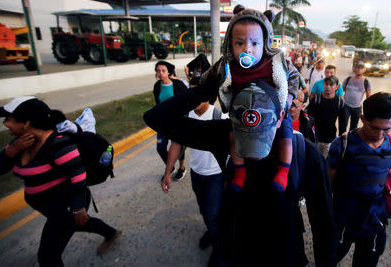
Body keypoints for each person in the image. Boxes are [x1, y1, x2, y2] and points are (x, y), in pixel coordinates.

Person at [143, 80, 338, 266]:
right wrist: (211, 86)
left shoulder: (304, 152)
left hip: (283, 255)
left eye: (263, 137)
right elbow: (155, 118)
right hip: (236, 252)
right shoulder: (224, 135)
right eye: (246, 137)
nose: (254, 151)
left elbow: (323, 222)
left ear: (280, 118)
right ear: (234, 123)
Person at [0, 96, 121, 267]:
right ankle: (111, 233)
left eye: (8, 119)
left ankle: (105, 231)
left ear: (26, 123)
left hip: (66, 206)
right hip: (50, 207)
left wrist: (77, 209)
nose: (5, 124)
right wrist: (11, 152)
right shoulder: (19, 143)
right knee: (81, 224)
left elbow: (78, 176)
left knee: (48, 257)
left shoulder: (59, 144)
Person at [201, 5, 299, 192]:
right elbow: (208, 78)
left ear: (266, 43)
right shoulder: (227, 64)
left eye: (255, 44)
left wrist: (286, 102)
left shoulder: (276, 63)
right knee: (232, 137)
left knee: (286, 134)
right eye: (239, 43)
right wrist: (205, 81)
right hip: (240, 114)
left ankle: (284, 170)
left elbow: (293, 77)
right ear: (230, 44)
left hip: (273, 114)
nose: (247, 50)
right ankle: (240, 171)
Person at [328, 92, 391, 267]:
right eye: (375, 128)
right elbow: (327, 184)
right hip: (342, 221)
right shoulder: (342, 144)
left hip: (374, 222)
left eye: (387, 129)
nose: (380, 134)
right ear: (363, 119)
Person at [161, 76, 227, 258]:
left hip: (216, 175)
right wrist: (168, 172)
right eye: (191, 92)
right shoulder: (186, 116)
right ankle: (211, 232)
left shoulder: (219, 116)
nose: (194, 97)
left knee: (214, 216)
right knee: (204, 210)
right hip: (197, 174)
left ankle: (220, 251)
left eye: (199, 92)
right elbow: (176, 144)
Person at [153, 61, 188, 180]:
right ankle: (170, 167)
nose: (160, 73)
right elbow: (157, 104)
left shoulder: (178, 85)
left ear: (168, 72)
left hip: (177, 122)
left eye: (163, 71)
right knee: (161, 148)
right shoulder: (157, 86)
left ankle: (182, 167)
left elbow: (186, 102)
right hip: (163, 123)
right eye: (158, 71)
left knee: (178, 147)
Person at [307, 75, 345, 157]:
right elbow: (308, 118)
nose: (328, 87)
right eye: (326, 84)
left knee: (325, 163)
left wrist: (341, 141)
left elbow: (343, 124)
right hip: (315, 138)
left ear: (337, 87)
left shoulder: (339, 103)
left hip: (330, 139)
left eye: (331, 85)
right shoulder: (316, 99)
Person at [338, 61, 372, 135]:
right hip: (345, 106)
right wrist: (341, 101)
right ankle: (340, 141)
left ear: (364, 70)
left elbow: (368, 96)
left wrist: (368, 110)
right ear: (354, 69)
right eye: (357, 67)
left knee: (354, 127)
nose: (359, 69)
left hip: (357, 108)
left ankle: (351, 142)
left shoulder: (366, 82)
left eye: (361, 68)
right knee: (342, 125)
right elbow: (340, 91)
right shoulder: (348, 79)